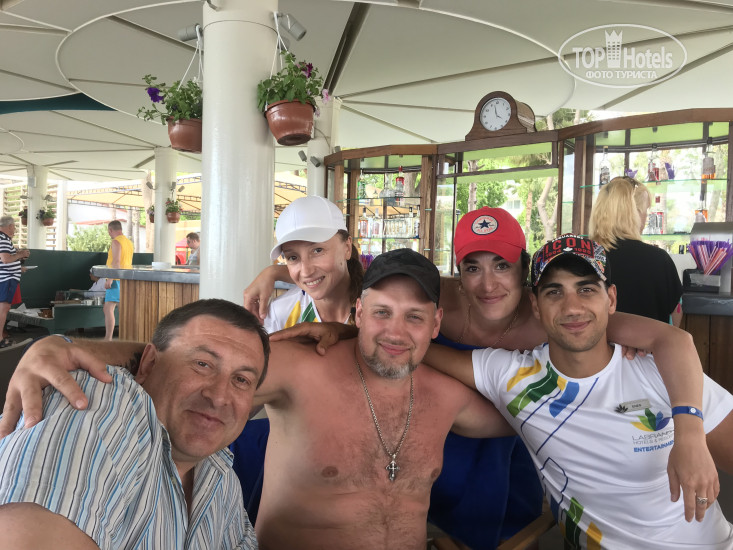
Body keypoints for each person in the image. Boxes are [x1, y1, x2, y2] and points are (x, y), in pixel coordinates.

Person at [0, 249, 720, 547]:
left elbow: (565, 408)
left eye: (413, 317)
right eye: (380, 314)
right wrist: (60, 349)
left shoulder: (454, 396)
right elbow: (191, 366)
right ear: (355, 314)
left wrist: (643, 371)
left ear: (435, 326)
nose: (395, 332)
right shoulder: (300, 366)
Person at [241, 206, 715, 548]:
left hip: (503, 432)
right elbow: (380, 306)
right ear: (458, 278)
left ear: (525, 275)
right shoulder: (440, 306)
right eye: (473, 268)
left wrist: (687, 432)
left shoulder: (557, 321)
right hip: (445, 405)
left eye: (502, 266)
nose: (488, 284)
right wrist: (304, 295)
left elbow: (670, 340)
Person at [423, 235, 733, 548]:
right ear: (536, 305)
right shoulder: (513, 377)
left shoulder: (664, 374)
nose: (572, 307)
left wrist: (690, 436)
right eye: (554, 292)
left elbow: (676, 342)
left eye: (586, 289)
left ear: (611, 299)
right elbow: (419, 352)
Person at [0, 299, 268, 549]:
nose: (219, 397)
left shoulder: (222, 478)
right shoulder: (100, 409)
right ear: (149, 363)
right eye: (202, 364)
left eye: (241, 380)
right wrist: (57, 344)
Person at [248, 195, 363, 333]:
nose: (306, 272)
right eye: (293, 257)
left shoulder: (376, 305)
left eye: (317, 250)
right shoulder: (279, 314)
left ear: (347, 248)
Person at [590, 176, 682, 325]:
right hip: (650, 340)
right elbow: (675, 316)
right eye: (645, 211)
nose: (646, 217)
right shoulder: (659, 259)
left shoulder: (583, 257)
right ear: (634, 214)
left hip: (595, 340)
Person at [0, 216, 30, 348]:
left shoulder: (4, 239)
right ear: (9, 226)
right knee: (3, 308)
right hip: (6, 279)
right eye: (14, 226)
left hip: (5, 278)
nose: (15, 229)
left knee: (3, 308)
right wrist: (20, 254)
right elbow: (5, 259)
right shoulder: (3, 239)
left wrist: (18, 267)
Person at [103, 220, 133, 340]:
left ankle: (108, 338)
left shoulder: (116, 242)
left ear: (110, 230)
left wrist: (110, 279)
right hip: (126, 279)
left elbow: (116, 262)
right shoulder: (129, 242)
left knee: (108, 309)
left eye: (108, 231)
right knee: (122, 310)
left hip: (116, 279)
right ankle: (125, 337)